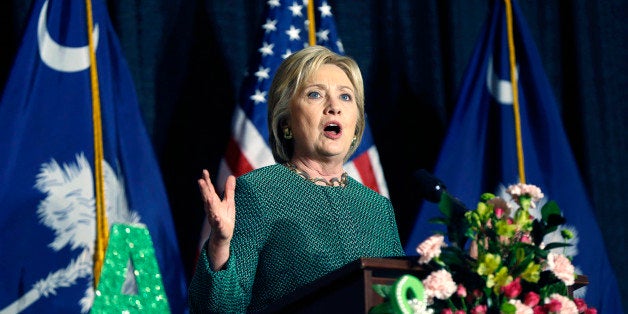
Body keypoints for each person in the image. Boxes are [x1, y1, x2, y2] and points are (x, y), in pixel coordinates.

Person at [188, 45, 404, 312]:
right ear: (286, 122)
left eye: (346, 97)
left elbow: (400, 298)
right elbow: (221, 310)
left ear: (357, 123)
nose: (334, 107)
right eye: (315, 94)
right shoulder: (260, 192)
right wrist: (220, 244)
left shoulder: (377, 208)